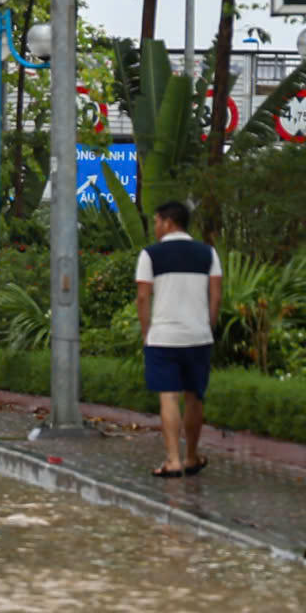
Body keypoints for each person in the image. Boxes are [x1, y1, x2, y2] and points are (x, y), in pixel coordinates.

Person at [136, 200, 223, 478]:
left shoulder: (150, 255)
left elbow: (142, 297)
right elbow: (216, 295)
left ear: (167, 222)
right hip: (198, 337)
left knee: (169, 397)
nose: (155, 228)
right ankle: (192, 456)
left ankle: (172, 460)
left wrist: (146, 331)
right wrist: (207, 325)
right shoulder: (208, 253)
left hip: (163, 337)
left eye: (157, 222)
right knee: (195, 397)